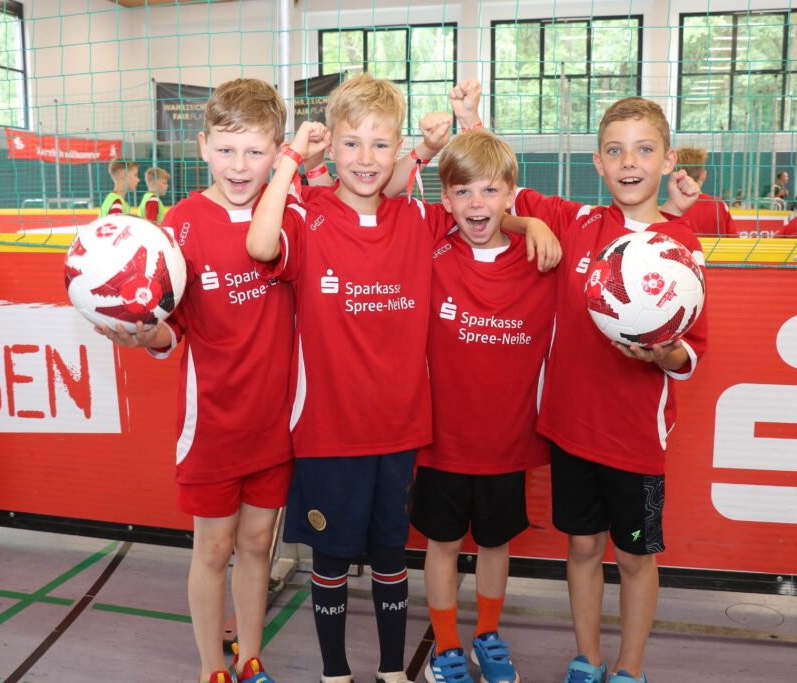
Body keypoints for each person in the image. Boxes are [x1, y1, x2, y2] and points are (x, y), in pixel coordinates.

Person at [245, 74, 554, 683]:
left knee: (391, 555)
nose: (366, 159)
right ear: (328, 146)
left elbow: (480, 197)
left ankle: (392, 670)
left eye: (380, 145)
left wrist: (527, 224)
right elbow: (259, 245)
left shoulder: (418, 218)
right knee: (330, 560)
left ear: (399, 149)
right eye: (351, 144)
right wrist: (286, 159)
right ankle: (335, 672)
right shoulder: (307, 214)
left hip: (399, 432)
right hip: (329, 433)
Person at [96, 78, 330, 683]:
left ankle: (249, 657)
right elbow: (172, 330)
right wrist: (141, 332)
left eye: (256, 151)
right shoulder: (180, 224)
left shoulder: (289, 213)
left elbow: (269, 243)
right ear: (202, 147)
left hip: (274, 422)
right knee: (213, 550)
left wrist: (293, 171)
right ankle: (210, 667)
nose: (238, 165)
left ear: (277, 152)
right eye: (226, 149)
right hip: (211, 426)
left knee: (257, 547)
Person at [501, 97, 707, 683]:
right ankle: (587, 659)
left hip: (636, 441)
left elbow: (695, 348)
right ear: (598, 161)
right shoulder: (578, 222)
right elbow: (497, 198)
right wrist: (531, 222)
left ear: (667, 160)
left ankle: (629, 669)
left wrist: (664, 353)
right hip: (572, 429)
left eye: (645, 149)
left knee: (638, 558)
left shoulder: (681, 247)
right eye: (615, 150)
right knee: (583, 550)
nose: (629, 162)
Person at [412, 126, 556, 683]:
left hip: (506, 443)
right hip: (442, 443)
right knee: (442, 545)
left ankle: (487, 636)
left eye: (491, 191)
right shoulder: (430, 247)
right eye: (464, 191)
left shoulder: (540, 256)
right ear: (445, 200)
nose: (478, 203)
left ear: (511, 197)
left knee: (496, 546)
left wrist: (531, 223)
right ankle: (446, 646)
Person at [672, 146, 735, 236]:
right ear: (703, 175)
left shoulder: (671, 209)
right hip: (715, 250)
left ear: (676, 176)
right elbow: (732, 238)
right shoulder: (718, 205)